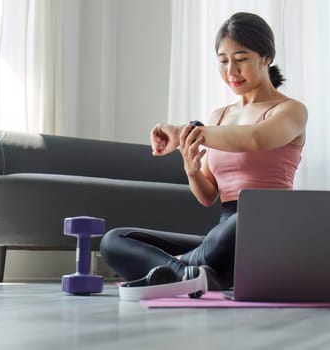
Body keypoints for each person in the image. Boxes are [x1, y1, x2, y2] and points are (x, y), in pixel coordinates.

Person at [100, 12, 307, 290]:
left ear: (266, 57)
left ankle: (177, 267)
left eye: (241, 59)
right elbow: (208, 195)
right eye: (223, 61)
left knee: (244, 223)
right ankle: (192, 274)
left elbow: (256, 139)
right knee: (115, 240)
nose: (231, 71)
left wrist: (186, 131)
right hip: (221, 236)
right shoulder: (219, 116)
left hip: (267, 225)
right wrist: (192, 169)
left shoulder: (290, 110)